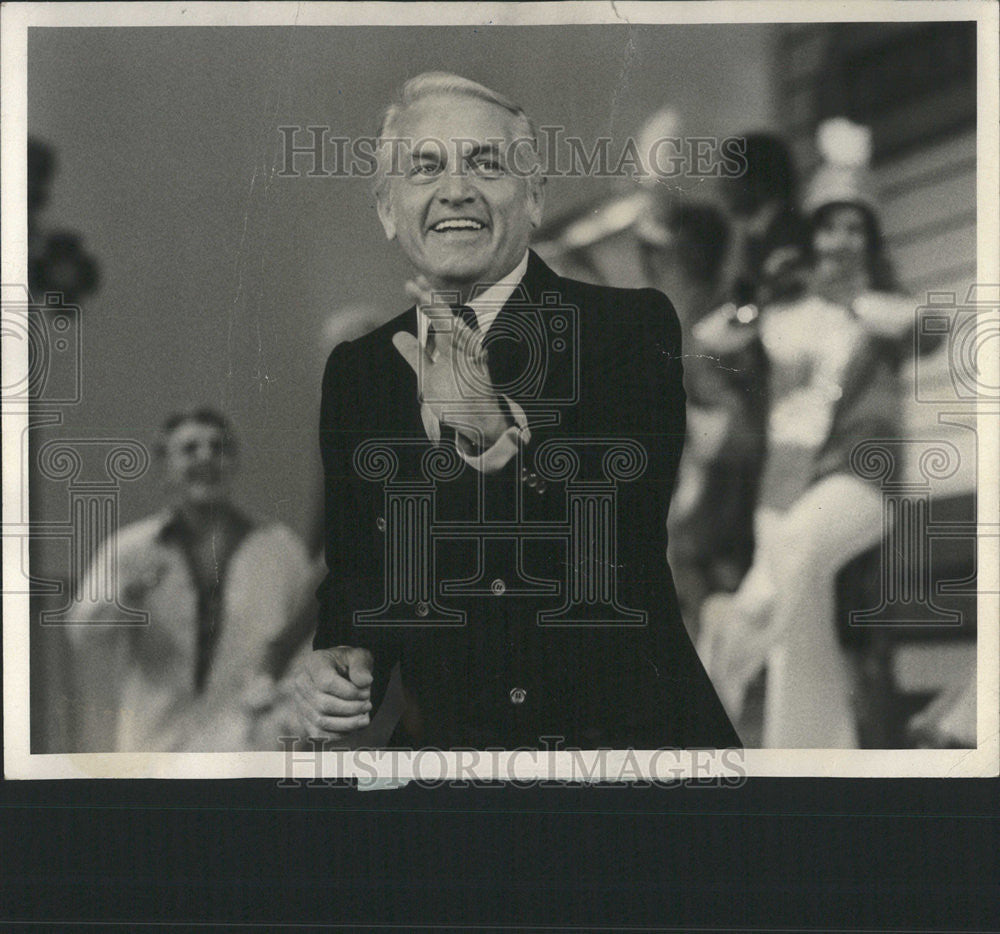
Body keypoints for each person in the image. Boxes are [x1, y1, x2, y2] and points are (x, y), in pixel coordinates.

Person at [295, 72, 740, 750]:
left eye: (485, 162)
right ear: (387, 209)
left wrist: (492, 440)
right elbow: (359, 579)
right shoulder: (360, 370)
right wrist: (341, 658)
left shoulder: (630, 328)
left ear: (533, 197)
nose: (455, 189)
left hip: (626, 758)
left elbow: (615, 549)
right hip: (450, 764)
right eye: (425, 167)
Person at [696, 118, 930, 747]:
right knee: (801, 649)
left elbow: (927, 326)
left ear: (872, 239)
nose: (841, 240)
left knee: (791, 555)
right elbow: (708, 341)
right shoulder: (789, 309)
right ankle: (814, 770)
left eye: (856, 228)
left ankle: (718, 670)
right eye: (829, 225)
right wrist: (762, 298)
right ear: (811, 232)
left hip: (860, 478)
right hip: (782, 488)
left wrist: (850, 298)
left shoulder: (875, 312)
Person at [67, 409, 315, 752]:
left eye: (219, 448)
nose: (207, 458)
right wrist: (128, 593)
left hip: (251, 744)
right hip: (158, 743)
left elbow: (310, 645)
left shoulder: (280, 548)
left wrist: (290, 717)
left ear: (234, 463)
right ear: (165, 466)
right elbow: (84, 632)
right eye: (189, 449)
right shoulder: (133, 549)